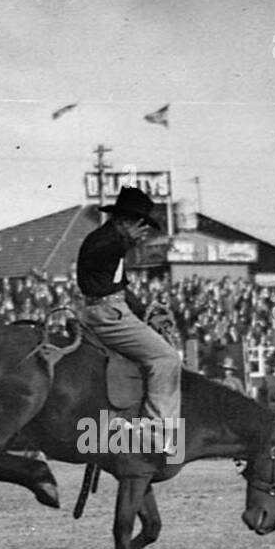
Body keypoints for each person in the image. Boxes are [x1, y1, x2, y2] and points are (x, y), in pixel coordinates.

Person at [76, 186, 180, 453]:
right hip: (109, 315)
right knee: (166, 358)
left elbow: (118, 285)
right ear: (128, 221)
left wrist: (147, 313)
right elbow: (99, 254)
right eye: (141, 224)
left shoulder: (109, 241)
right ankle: (157, 433)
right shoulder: (105, 240)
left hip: (106, 310)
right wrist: (124, 242)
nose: (144, 232)